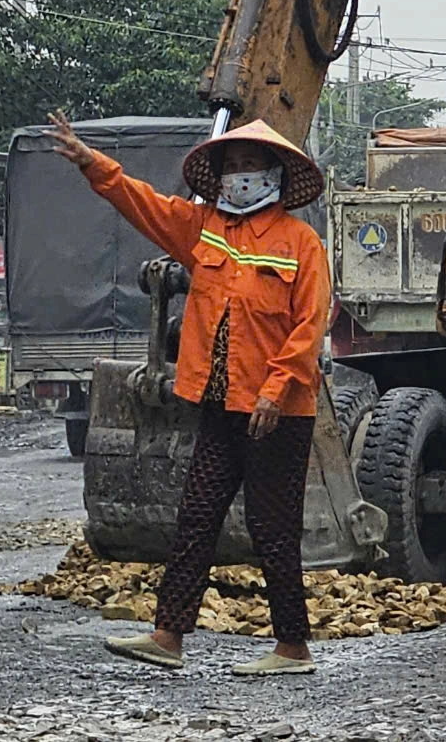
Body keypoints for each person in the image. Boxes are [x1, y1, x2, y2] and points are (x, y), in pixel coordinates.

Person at [46, 111, 331, 677]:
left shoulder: (302, 243)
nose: (240, 175)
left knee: (272, 529)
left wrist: (274, 393)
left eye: (251, 165)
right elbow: (140, 201)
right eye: (232, 166)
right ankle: (168, 635)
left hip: (279, 413)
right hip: (221, 407)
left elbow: (309, 326)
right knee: (196, 517)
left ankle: (293, 648)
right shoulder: (202, 229)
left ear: (275, 175)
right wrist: (89, 162)